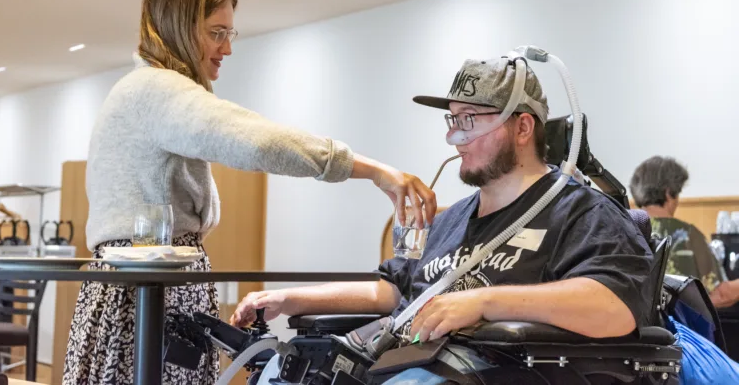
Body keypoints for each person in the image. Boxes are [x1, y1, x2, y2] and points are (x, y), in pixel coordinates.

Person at [62, 0, 437, 385]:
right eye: (215, 32)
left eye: (229, 34)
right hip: (146, 289)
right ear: (180, 28)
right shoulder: (155, 89)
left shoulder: (142, 90)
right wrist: (373, 171)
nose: (227, 48)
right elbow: (257, 142)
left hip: (147, 284)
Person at [231, 56, 655, 383]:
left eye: (469, 120)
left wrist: (484, 302)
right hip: (413, 362)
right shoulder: (453, 220)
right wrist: (291, 300)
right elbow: (392, 293)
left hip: (502, 373)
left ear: (523, 128)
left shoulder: (581, 212)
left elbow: (615, 307)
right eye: (453, 120)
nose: (454, 137)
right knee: (282, 371)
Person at [630, 156, 739, 309]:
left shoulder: (623, 227)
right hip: (675, 331)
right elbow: (719, 295)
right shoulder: (687, 234)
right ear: (669, 193)